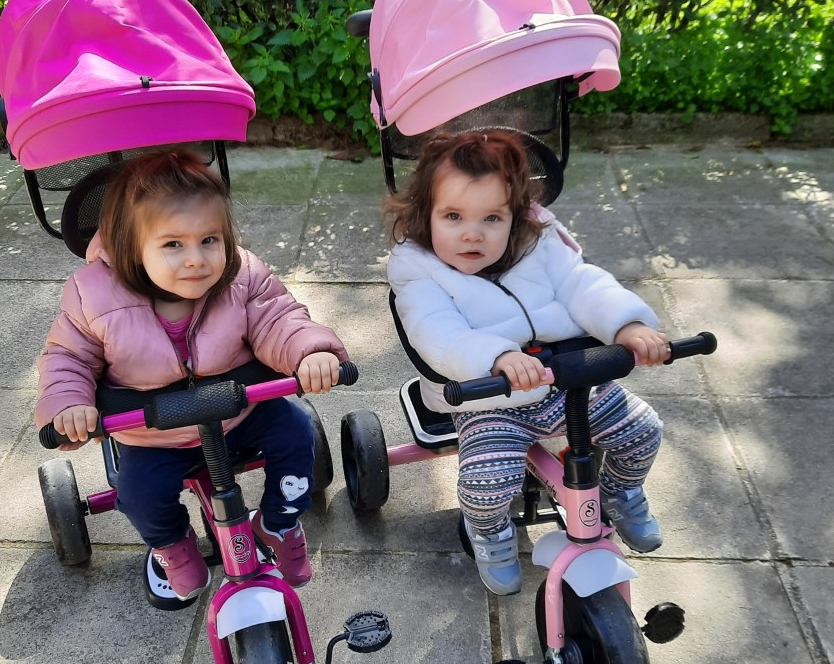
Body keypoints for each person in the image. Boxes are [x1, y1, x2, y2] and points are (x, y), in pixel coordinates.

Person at [35, 149, 348, 601]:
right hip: (153, 434)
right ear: (131, 247)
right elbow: (69, 357)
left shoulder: (241, 275)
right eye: (173, 245)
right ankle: (171, 545)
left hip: (237, 413)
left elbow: (277, 318)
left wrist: (310, 351)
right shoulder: (92, 295)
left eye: (209, 240)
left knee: (298, 432)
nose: (196, 259)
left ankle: (279, 522)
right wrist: (68, 406)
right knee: (138, 493)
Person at [385, 130, 668, 596]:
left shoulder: (538, 244)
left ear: (515, 217)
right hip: (490, 401)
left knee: (643, 431)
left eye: (492, 218)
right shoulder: (419, 273)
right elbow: (436, 334)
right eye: (453, 216)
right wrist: (496, 357)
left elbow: (583, 284)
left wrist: (627, 326)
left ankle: (619, 490)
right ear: (424, 215)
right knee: (487, 484)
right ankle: (489, 531)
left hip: (567, 384)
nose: (472, 233)